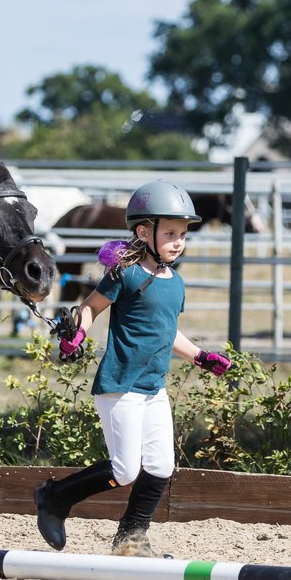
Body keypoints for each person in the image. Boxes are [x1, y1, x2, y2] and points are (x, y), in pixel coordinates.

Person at [33, 179, 233, 557]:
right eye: (171, 233)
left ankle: (131, 538)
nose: (178, 241)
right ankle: (54, 497)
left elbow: (167, 330)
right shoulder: (125, 275)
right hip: (120, 384)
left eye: (183, 235)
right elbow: (90, 308)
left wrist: (200, 356)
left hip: (153, 388)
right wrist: (76, 336)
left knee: (160, 465)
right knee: (125, 470)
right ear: (144, 231)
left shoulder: (176, 283)